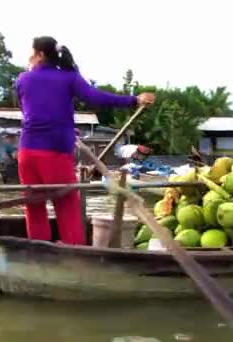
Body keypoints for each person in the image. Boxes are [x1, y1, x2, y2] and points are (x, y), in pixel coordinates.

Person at [16, 36, 155, 244]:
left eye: (33, 52)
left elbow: (29, 110)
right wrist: (133, 100)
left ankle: (38, 251)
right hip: (56, 151)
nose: (30, 57)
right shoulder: (69, 77)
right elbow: (96, 97)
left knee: (33, 204)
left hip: (27, 151)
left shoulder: (22, 79)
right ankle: (75, 253)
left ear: (41, 55)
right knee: (66, 205)